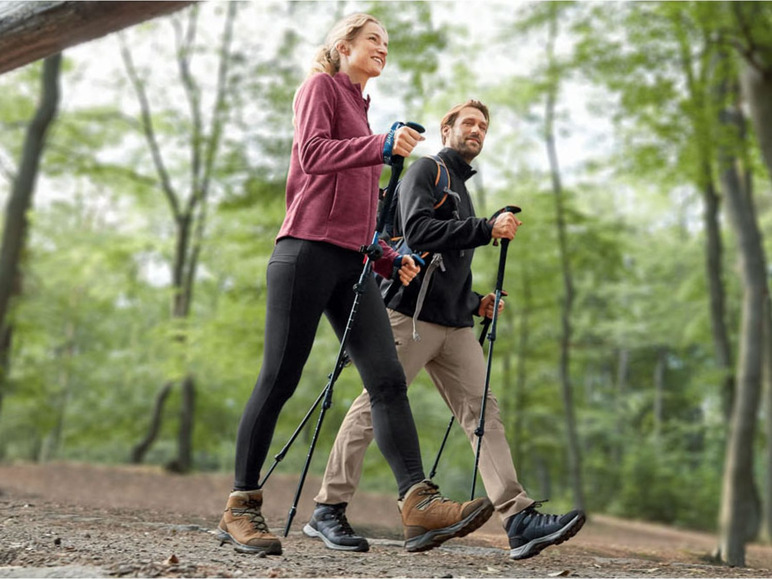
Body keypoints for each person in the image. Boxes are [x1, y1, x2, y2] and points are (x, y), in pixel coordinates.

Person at [215, 15, 494, 556]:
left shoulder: (367, 114)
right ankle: (241, 507)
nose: (383, 49)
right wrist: (379, 145)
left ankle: (418, 504)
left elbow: (361, 211)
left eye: (388, 44)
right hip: (304, 253)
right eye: (373, 40)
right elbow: (313, 155)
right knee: (280, 378)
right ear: (343, 46)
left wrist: (387, 254)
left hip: (353, 263)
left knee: (388, 378)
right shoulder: (320, 89)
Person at [303, 100, 586, 560]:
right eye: (468, 123)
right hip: (407, 316)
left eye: (483, 126)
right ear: (446, 129)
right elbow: (418, 231)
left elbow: (448, 268)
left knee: (483, 413)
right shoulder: (426, 171)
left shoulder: (460, 186)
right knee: (374, 406)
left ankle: (518, 518)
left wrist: (477, 303)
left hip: (453, 324)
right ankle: (328, 507)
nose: (477, 130)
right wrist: (485, 228)